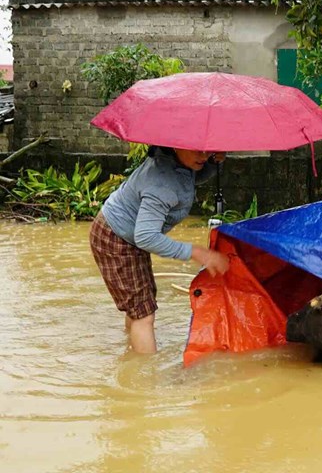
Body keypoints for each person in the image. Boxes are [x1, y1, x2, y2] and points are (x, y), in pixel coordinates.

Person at [89, 146, 230, 354]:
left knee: (141, 303)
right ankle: (146, 378)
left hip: (127, 233)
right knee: (144, 314)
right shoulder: (161, 184)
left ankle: (132, 346)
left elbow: (189, 180)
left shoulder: (178, 160)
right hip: (116, 237)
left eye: (207, 151)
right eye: (198, 151)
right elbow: (146, 237)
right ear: (175, 145)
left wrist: (211, 164)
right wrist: (196, 252)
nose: (203, 156)